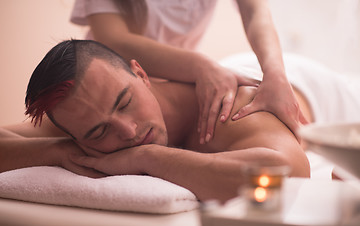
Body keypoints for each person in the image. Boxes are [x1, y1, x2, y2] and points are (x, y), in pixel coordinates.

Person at [0, 40, 310, 202]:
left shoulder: (231, 110)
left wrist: (147, 157)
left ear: (142, 74)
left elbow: (290, 174)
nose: (128, 131)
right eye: (98, 132)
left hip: (312, 85)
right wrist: (59, 151)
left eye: (126, 102)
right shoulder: (83, 116)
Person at [70, 0, 307, 144]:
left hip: (183, 84)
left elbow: (256, 11)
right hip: (110, 87)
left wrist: (275, 73)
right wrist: (200, 66)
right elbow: (114, 40)